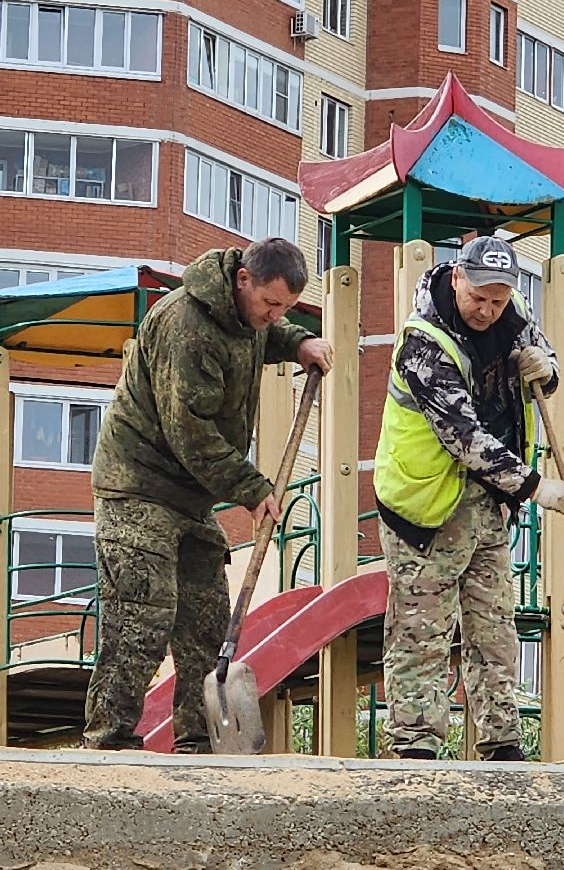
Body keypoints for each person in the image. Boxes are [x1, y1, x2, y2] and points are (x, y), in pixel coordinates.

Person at [82, 238, 334, 752]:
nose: (275, 315)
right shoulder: (187, 326)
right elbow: (189, 430)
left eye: (285, 307)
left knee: (206, 620)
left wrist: (299, 341)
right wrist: (251, 488)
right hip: (138, 485)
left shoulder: (247, 317)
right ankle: (106, 740)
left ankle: (197, 739)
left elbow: (264, 335)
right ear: (243, 280)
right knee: (143, 614)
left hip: (191, 496)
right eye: (270, 304)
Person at [373, 235, 564, 761]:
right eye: (480, 299)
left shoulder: (512, 313)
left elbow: (545, 364)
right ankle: (416, 748)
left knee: (494, 627)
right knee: (422, 632)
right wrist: (541, 489)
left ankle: (502, 743)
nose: (488, 311)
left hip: (488, 504)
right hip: (423, 507)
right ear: (457, 279)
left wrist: (546, 369)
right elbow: (464, 438)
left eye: (498, 300)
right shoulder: (422, 343)